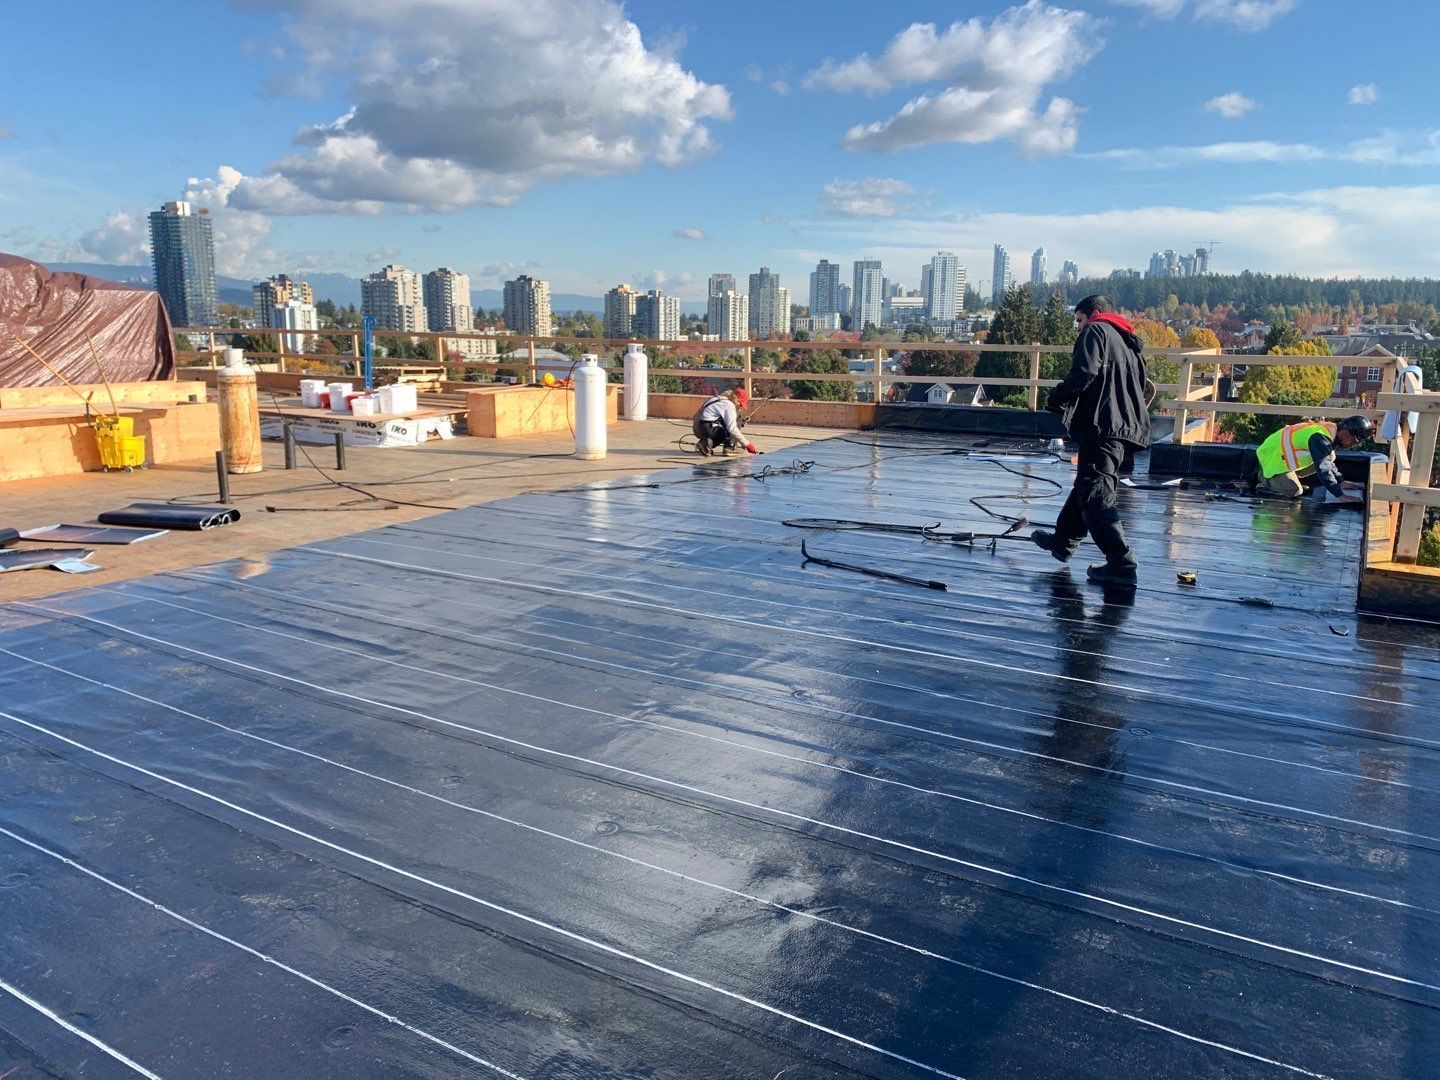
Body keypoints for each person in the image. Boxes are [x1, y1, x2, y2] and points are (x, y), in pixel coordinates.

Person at [1031, 295, 1152, 586]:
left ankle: (1121, 563)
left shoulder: (1097, 331)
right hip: (1124, 426)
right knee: (1088, 483)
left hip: (1104, 425)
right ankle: (1063, 542)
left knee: (1096, 493)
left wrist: (1057, 396)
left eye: (1079, 319)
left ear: (1094, 314)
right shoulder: (1127, 342)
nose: (1078, 327)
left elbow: (1085, 372)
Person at [1248, 416, 1370, 502]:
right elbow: (1323, 468)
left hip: (1282, 457)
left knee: (1331, 456)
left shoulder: (1330, 432)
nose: (1352, 444)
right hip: (1272, 457)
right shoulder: (1320, 438)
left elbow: (1326, 460)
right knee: (1295, 491)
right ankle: (1264, 478)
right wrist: (1340, 495)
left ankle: (1285, 480)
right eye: (1354, 441)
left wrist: (1341, 481)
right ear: (1345, 433)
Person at [692, 388, 758, 456]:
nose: (740, 407)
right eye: (740, 404)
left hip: (699, 428)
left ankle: (705, 444)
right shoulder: (729, 405)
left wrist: (741, 422)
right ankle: (729, 447)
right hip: (707, 428)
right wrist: (747, 444)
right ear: (736, 399)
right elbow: (732, 429)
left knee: (732, 421)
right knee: (736, 419)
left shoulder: (719, 399)